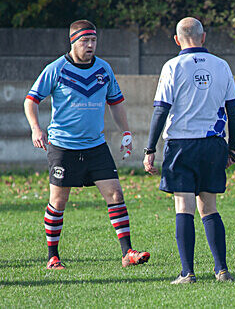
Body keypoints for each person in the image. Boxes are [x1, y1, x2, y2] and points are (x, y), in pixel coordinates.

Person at [23, 19, 149, 270]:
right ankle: (52, 256)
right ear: (73, 42)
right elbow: (31, 100)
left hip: (95, 146)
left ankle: (127, 253)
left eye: (93, 40)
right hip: (63, 146)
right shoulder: (56, 69)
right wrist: (36, 128)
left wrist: (126, 132)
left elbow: (116, 102)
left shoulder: (104, 69)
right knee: (58, 201)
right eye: (85, 41)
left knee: (115, 194)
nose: (90, 45)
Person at [143, 17, 235, 284]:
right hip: (213, 145)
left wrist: (150, 148)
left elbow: (161, 110)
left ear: (177, 40)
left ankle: (187, 272)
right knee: (209, 207)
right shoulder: (221, 65)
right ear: (203, 37)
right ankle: (222, 270)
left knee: (184, 207)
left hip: (181, 146)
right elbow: (234, 111)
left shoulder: (172, 66)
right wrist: (232, 149)